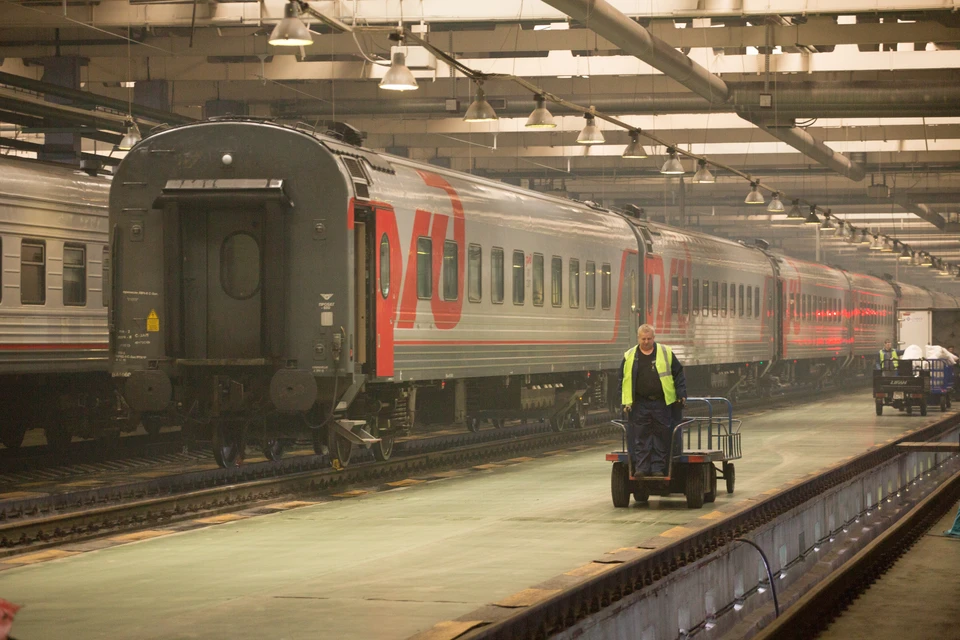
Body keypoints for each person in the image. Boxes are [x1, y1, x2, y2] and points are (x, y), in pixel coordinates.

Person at [618, 324, 687, 477]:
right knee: (641, 436)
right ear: (638, 338)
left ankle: (657, 468)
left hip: (662, 402)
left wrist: (681, 394)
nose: (646, 342)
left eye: (649, 339)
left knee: (661, 436)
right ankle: (641, 468)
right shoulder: (629, 355)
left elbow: (678, 374)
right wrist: (624, 402)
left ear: (654, 338)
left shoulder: (665, 352)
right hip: (640, 403)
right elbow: (622, 380)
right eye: (643, 339)